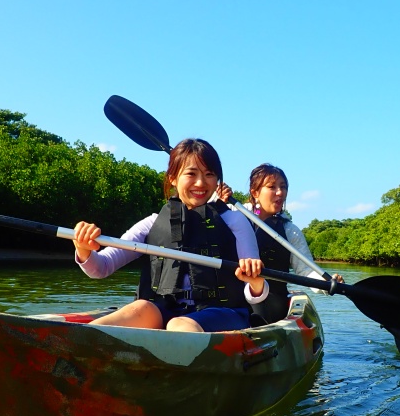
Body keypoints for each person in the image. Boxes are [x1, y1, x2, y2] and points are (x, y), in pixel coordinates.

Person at [72, 138, 268, 332]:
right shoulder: (152, 224)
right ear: (173, 177)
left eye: (209, 174)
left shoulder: (235, 221)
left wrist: (255, 282)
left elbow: (256, 292)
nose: (200, 182)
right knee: (142, 308)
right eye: (191, 173)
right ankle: (76, 343)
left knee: (179, 324)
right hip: (165, 311)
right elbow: (101, 267)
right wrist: (83, 249)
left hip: (223, 313)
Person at [219, 163, 343, 324]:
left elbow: (306, 270)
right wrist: (217, 197)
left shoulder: (290, 231)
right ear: (255, 192)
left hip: (270, 304)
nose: (280, 192)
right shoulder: (232, 214)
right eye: (272, 187)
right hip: (231, 299)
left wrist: (328, 283)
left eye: (283, 187)